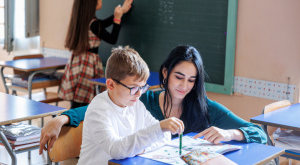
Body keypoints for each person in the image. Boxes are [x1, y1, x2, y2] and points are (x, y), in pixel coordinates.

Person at [40, 45, 267, 155]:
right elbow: (94, 110)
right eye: (179, 77)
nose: (184, 86)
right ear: (166, 73)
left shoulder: (205, 108)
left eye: (191, 80)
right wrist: (60, 118)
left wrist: (230, 133)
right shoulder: (142, 99)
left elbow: (260, 133)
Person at [69, 46, 184, 164]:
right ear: (111, 85)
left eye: (142, 87)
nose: (139, 94)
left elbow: (165, 136)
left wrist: (143, 148)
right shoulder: (99, 110)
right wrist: (159, 127)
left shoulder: (136, 105)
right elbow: (116, 150)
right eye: (134, 88)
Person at [58, 0, 133, 109]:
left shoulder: (82, 20)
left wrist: (120, 11)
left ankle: (75, 124)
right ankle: (80, 125)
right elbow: (112, 39)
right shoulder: (94, 24)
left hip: (77, 62)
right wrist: (117, 19)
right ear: (91, 3)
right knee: (83, 104)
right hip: (87, 64)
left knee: (77, 102)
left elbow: (102, 24)